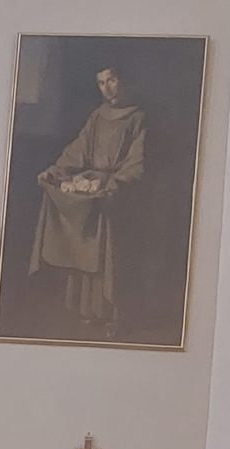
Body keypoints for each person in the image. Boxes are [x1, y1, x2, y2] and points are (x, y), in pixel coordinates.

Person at [31, 64, 147, 336]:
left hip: (119, 198)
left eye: (112, 80)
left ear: (123, 80)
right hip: (93, 192)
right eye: (101, 82)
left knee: (108, 258)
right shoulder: (97, 117)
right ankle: (87, 313)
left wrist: (111, 184)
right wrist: (55, 172)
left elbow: (137, 164)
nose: (107, 87)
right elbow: (77, 151)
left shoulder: (139, 118)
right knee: (83, 245)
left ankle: (112, 316)